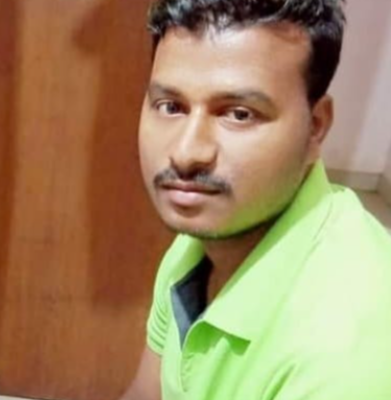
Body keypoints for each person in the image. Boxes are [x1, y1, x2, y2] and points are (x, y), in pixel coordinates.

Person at [123, 0, 391, 399]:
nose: (186, 152)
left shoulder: (344, 358)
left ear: (316, 127)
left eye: (239, 114)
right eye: (172, 107)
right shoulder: (200, 245)